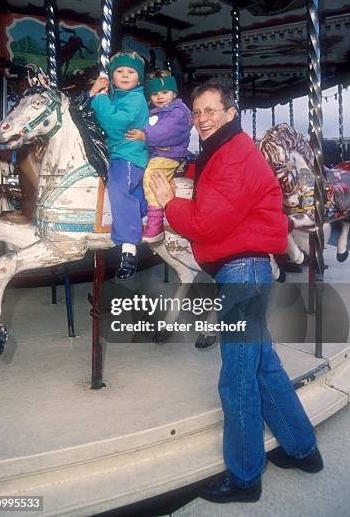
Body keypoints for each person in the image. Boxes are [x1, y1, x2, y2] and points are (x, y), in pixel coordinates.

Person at [150, 82, 323, 504]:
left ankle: (245, 477)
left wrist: (170, 204)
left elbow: (207, 222)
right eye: (197, 112)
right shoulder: (221, 153)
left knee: (238, 378)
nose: (203, 118)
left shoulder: (233, 156)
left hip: (242, 271)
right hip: (248, 268)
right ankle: (303, 450)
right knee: (263, 365)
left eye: (211, 110)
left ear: (230, 113)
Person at [89, 50, 149, 280]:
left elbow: (116, 123)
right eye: (119, 71)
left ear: (139, 78)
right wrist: (93, 94)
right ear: (112, 77)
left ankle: (129, 249)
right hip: (115, 153)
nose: (125, 75)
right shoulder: (116, 97)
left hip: (129, 156)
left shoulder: (135, 99)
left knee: (118, 189)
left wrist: (100, 99)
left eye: (131, 72)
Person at [125, 70, 192, 242]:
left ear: (174, 93)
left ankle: (155, 224)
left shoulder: (179, 112)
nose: (160, 96)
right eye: (155, 93)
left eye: (164, 92)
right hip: (156, 153)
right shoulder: (154, 112)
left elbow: (167, 130)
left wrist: (145, 135)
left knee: (152, 176)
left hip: (171, 154)